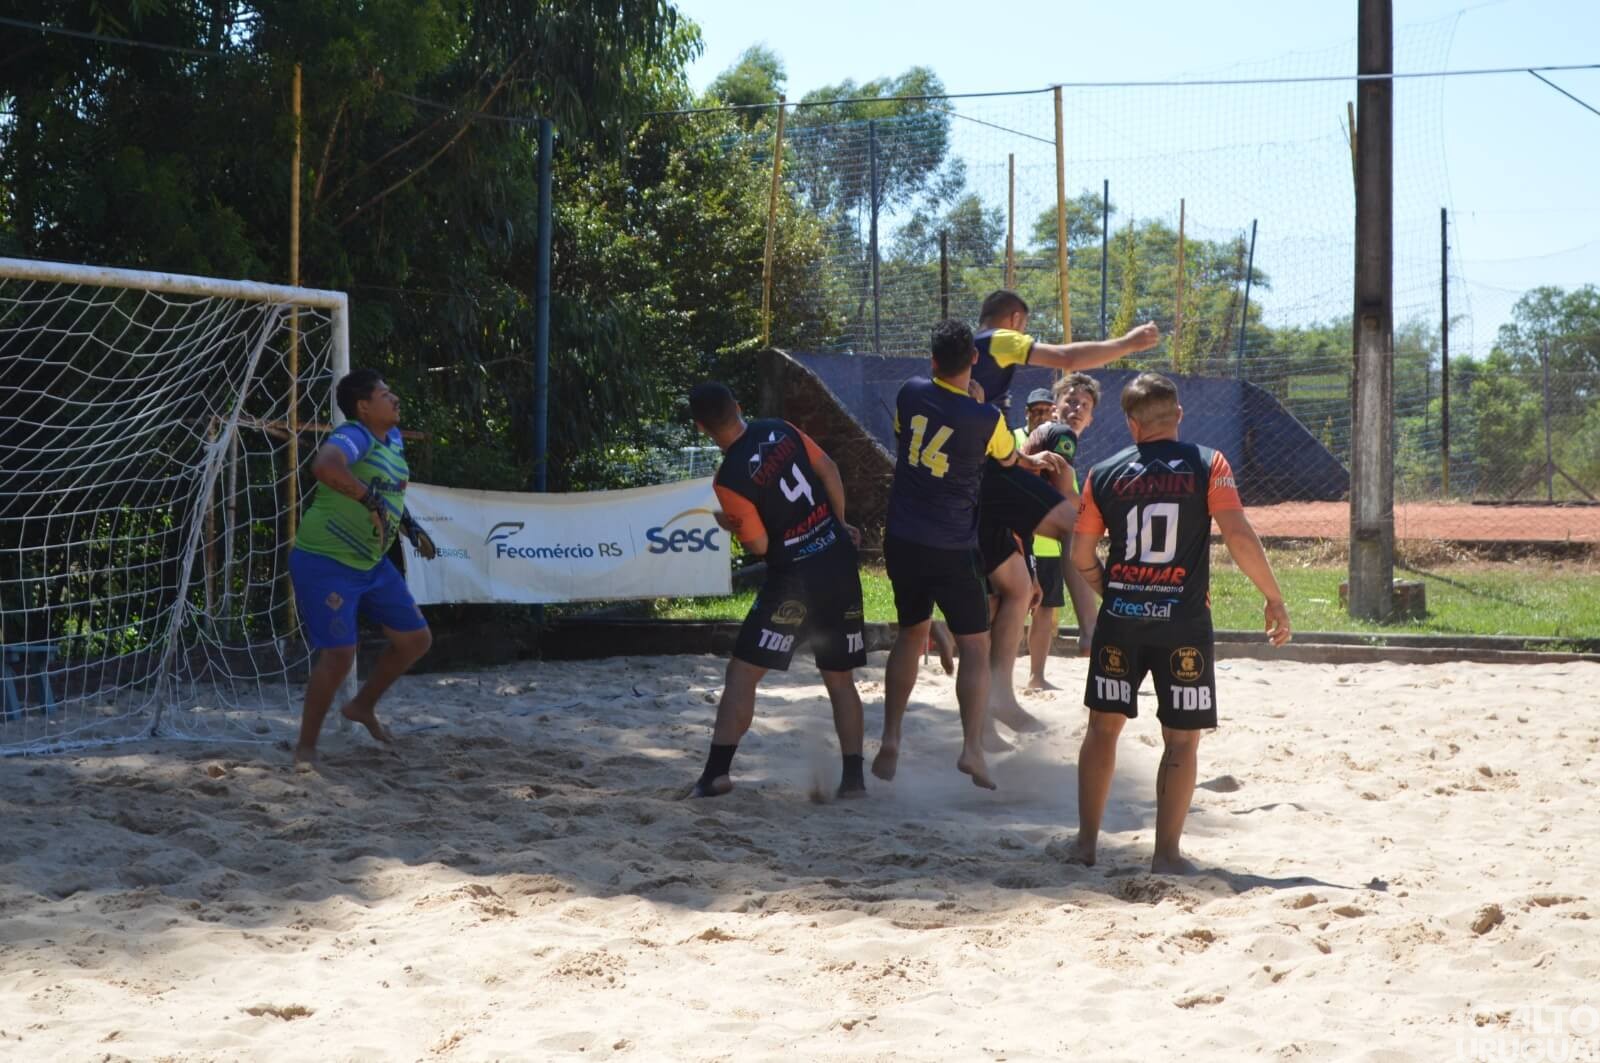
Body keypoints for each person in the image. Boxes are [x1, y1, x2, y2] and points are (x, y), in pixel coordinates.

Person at [1067, 372, 1292, 873]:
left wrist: (1112, 590)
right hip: (1183, 624)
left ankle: (1085, 845)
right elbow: (1237, 534)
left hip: (1120, 620)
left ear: (1131, 424)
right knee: (1182, 739)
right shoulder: (1210, 464)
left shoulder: (1102, 473)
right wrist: (1273, 597)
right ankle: (1166, 855)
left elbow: (1081, 554)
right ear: (1179, 416)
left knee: (1102, 729)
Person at [967, 290, 1161, 741]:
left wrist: (1021, 458)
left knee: (1016, 591)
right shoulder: (998, 339)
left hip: (975, 480)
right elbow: (1067, 357)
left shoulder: (972, 359)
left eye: (1083, 405)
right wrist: (1128, 343)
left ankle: (998, 702)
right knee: (1076, 527)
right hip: (984, 478)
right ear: (1015, 318)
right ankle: (1098, 624)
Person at [688, 382, 870, 800]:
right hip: (838, 562)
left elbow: (759, 546)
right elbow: (829, 470)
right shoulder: (779, 428)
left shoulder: (728, 480)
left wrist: (729, 524)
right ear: (738, 405)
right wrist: (839, 524)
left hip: (794, 579)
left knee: (742, 674)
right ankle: (854, 781)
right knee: (840, 680)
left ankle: (716, 775)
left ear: (701, 427)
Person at [875, 319, 1019, 792]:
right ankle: (972, 748)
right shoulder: (987, 418)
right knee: (975, 645)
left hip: (903, 538)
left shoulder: (910, 392)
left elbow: (906, 435)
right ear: (974, 359)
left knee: (910, 634)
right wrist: (978, 405)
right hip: (953, 545)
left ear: (933, 359)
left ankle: (891, 737)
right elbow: (1007, 458)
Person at [288, 369, 437, 765]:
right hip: (326, 562)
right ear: (363, 406)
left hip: (371, 563)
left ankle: (362, 706)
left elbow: (389, 494)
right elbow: (325, 467)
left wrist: (408, 526)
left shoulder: (395, 439)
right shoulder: (355, 435)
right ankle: (306, 748)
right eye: (386, 394)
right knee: (340, 654)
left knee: (416, 640)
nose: (395, 399)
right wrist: (368, 500)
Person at [1019, 374, 1101, 690]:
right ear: (1056, 406)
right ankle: (1092, 626)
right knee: (1008, 610)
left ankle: (1035, 677)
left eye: (1085, 405)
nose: (1077, 408)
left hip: (1043, 543)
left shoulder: (1060, 443)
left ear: (1091, 418)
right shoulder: (1057, 435)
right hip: (1020, 535)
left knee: (1040, 610)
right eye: (1071, 401)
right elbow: (1059, 499)